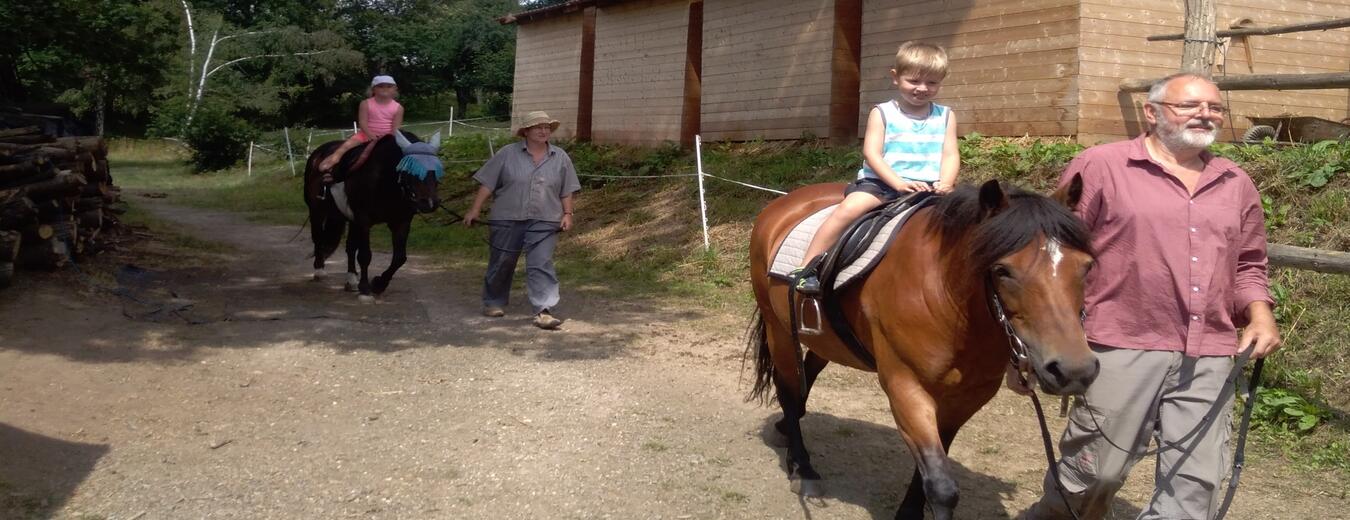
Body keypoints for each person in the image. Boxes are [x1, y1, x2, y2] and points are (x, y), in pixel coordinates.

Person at [1018, 73, 1282, 520]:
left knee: (1195, 486)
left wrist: (1260, 316)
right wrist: (1043, 340)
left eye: (1215, 107)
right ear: (1152, 112)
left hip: (1210, 353)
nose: (1205, 114)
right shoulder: (1100, 165)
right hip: (1119, 340)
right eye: (1190, 105)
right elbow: (1052, 259)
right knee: (1095, 473)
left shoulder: (1235, 181)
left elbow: (1249, 262)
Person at [790, 41, 960, 294]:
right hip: (882, 184)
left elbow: (950, 153)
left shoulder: (945, 115)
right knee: (849, 209)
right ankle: (807, 267)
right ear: (896, 77)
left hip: (930, 187)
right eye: (914, 81)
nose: (922, 89)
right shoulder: (883, 113)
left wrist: (946, 182)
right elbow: (872, 153)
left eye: (932, 83)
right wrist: (898, 183)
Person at [464, 111, 580, 330]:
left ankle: (543, 309)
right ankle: (494, 301)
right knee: (503, 261)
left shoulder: (560, 157)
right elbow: (487, 183)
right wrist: (475, 210)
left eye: (546, 127)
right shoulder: (507, 154)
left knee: (541, 262)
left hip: (546, 218)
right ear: (525, 131)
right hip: (507, 216)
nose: (543, 130)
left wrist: (567, 214)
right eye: (537, 127)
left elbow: (567, 190)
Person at [319, 75, 405, 178]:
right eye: (381, 86)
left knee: (406, 151)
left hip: (388, 137)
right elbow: (363, 122)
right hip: (365, 135)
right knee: (345, 147)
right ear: (373, 89)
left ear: (395, 89)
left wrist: (389, 138)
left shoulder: (398, 108)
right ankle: (333, 163)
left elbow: (396, 128)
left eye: (389, 86)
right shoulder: (366, 104)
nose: (385, 88)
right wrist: (371, 135)